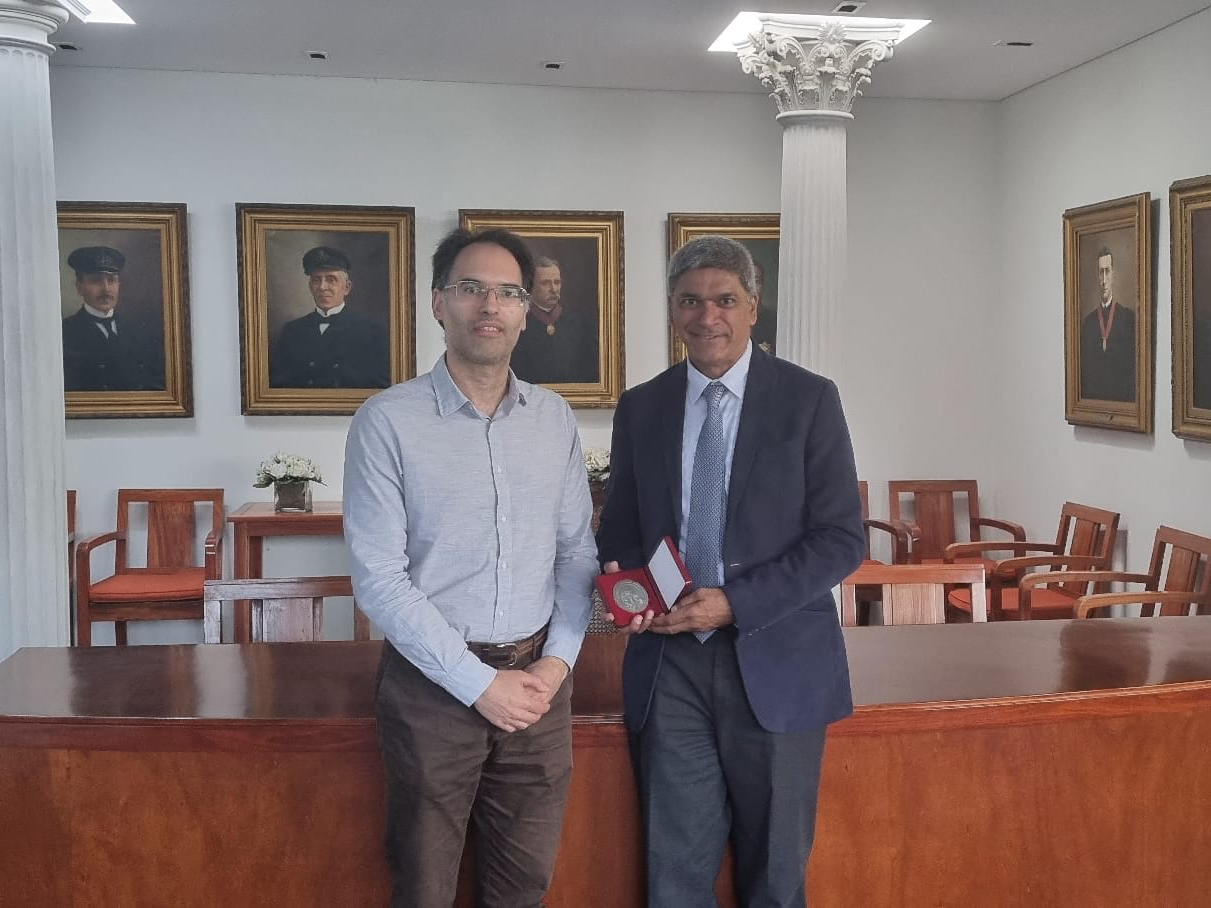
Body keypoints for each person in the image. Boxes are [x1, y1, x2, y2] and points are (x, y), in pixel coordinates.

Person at [595, 234, 865, 907]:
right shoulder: (642, 406)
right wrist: (629, 587)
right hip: (669, 664)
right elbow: (621, 527)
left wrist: (734, 603)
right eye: (690, 301)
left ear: (752, 307)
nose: (706, 316)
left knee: (774, 877)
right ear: (671, 310)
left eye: (724, 300)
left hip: (777, 662)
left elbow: (840, 539)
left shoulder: (808, 400)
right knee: (673, 874)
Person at [343, 227, 598, 907]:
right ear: (438, 303)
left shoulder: (552, 419)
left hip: (539, 687)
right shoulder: (386, 421)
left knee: (523, 889)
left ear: (525, 309)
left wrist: (556, 663)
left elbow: (576, 554)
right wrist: (476, 682)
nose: (490, 304)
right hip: (432, 691)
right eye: (470, 288)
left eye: (507, 292)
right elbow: (379, 577)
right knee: (424, 888)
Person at [269, 245, 390, 389]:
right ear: (310, 287)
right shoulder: (292, 331)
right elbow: (277, 386)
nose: (322, 287)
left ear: (346, 287)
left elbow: (382, 388)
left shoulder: (372, 331)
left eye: (331, 279)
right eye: (316, 280)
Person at [61, 245, 165, 391]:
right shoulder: (65, 333)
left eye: (112, 280)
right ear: (79, 287)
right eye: (96, 280)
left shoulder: (140, 331)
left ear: (119, 285)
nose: (106, 289)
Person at [509, 255, 599, 383]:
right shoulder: (519, 325)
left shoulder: (580, 324)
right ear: (531, 286)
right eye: (545, 283)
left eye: (557, 282)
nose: (553, 289)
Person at [1079, 246, 1136, 402]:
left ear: (1113, 275)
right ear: (1097, 276)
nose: (1104, 280)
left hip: (1121, 400)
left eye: (1107, 271)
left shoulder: (1127, 318)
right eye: (1100, 272)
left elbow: (1132, 371)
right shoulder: (1089, 322)